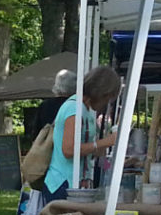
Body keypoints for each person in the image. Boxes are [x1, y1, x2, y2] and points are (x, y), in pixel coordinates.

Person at [41, 66, 122, 205]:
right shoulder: (74, 108)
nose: (107, 104)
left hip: (74, 184)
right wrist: (105, 142)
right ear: (101, 93)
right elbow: (68, 150)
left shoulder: (83, 110)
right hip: (62, 184)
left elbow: (87, 150)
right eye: (108, 98)